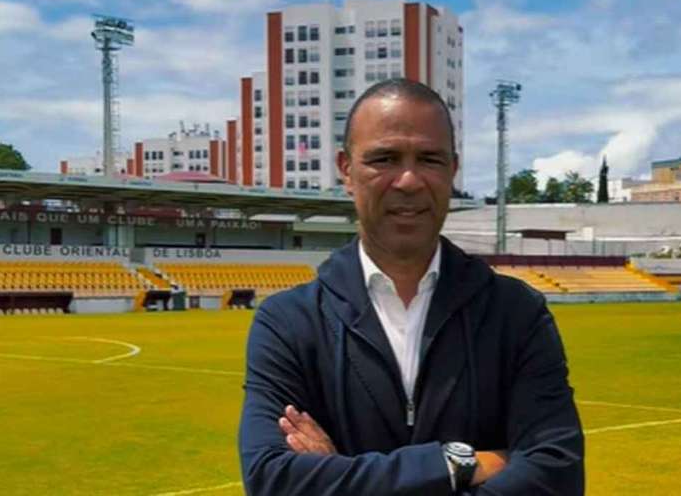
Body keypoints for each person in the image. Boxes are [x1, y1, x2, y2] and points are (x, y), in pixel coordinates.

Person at [238, 78, 584, 494]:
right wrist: (457, 463)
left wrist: (338, 475)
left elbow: (557, 474)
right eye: (384, 159)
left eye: (429, 159)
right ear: (346, 169)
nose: (408, 180)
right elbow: (274, 480)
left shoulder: (516, 313)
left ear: (453, 170)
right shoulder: (289, 323)